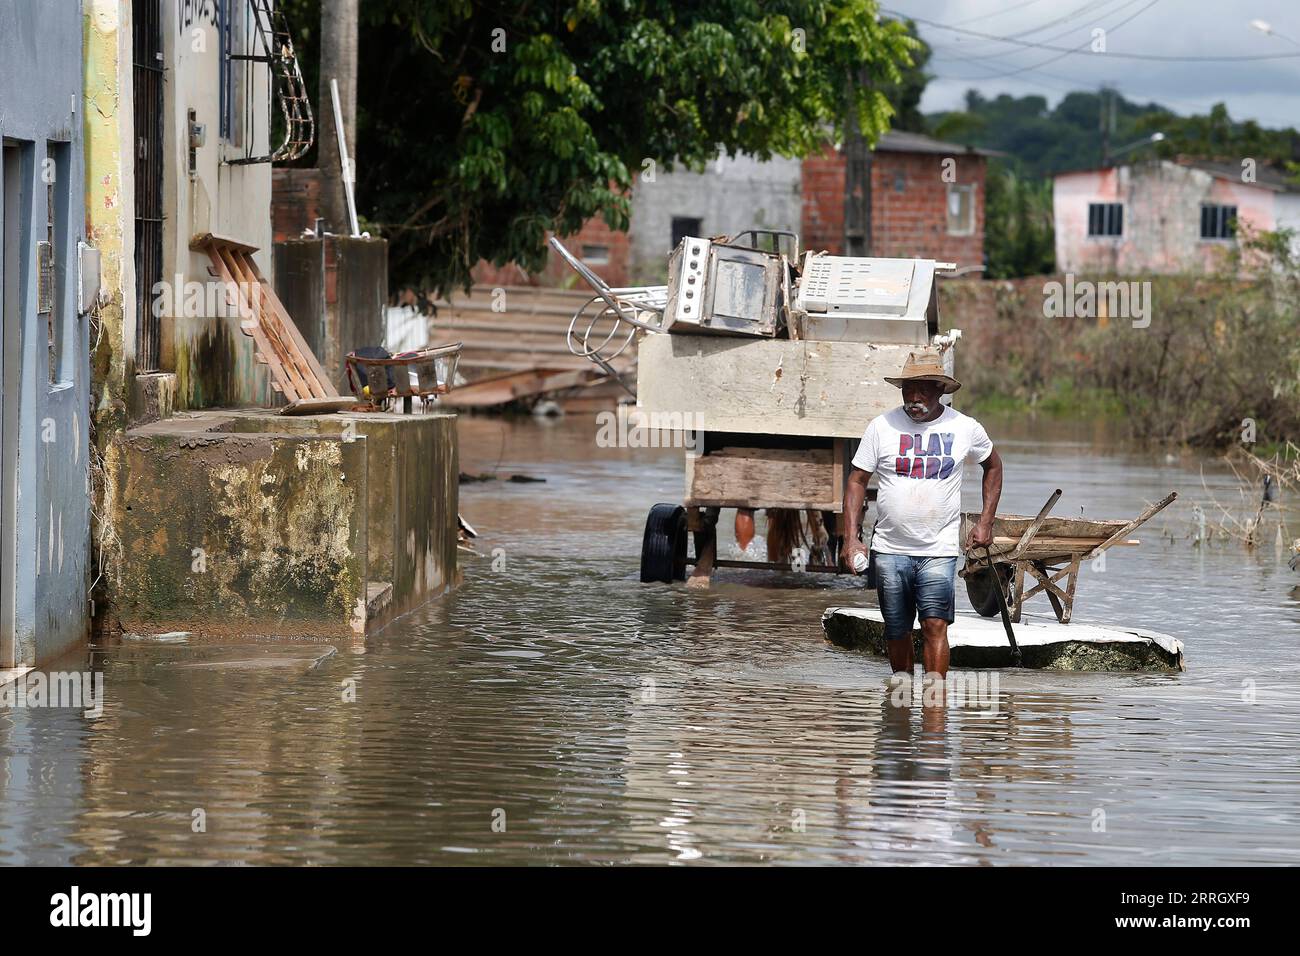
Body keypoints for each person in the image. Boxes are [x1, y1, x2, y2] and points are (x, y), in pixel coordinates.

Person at [840, 350, 1003, 689]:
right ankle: (900, 699)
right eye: (908, 389)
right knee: (896, 628)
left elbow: (994, 466)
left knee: (934, 625)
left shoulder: (964, 428)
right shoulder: (881, 426)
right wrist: (851, 537)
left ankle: (934, 704)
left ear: (940, 390)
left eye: (923, 390)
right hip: (889, 549)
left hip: (938, 550)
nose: (915, 398)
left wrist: (986, 521)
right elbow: (856, 480)